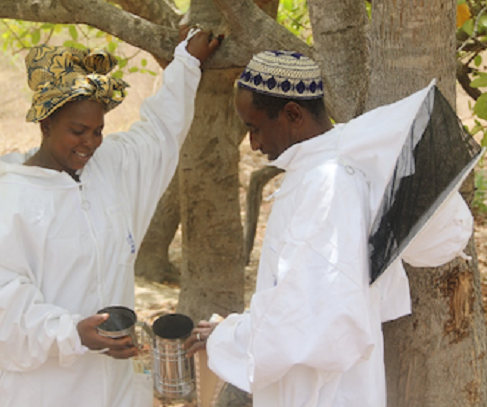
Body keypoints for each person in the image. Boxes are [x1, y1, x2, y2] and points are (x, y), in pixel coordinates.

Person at [0, 28, 220, 407]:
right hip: (36, 393)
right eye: (77, 130)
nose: (90, 142)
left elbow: (159, 135)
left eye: (98, 130)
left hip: (112, 390)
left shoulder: (108, 172)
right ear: (45, 124)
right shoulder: (7, 203)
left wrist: (186, 65)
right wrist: (72, 333)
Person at [184, 51, 475, 406]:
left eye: (254, 127)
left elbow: (308, 315)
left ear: (293, 113)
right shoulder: (320, 172)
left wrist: (228, 337)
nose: (254, 144)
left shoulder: (328, 182)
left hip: (327, 391)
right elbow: (299, 289)